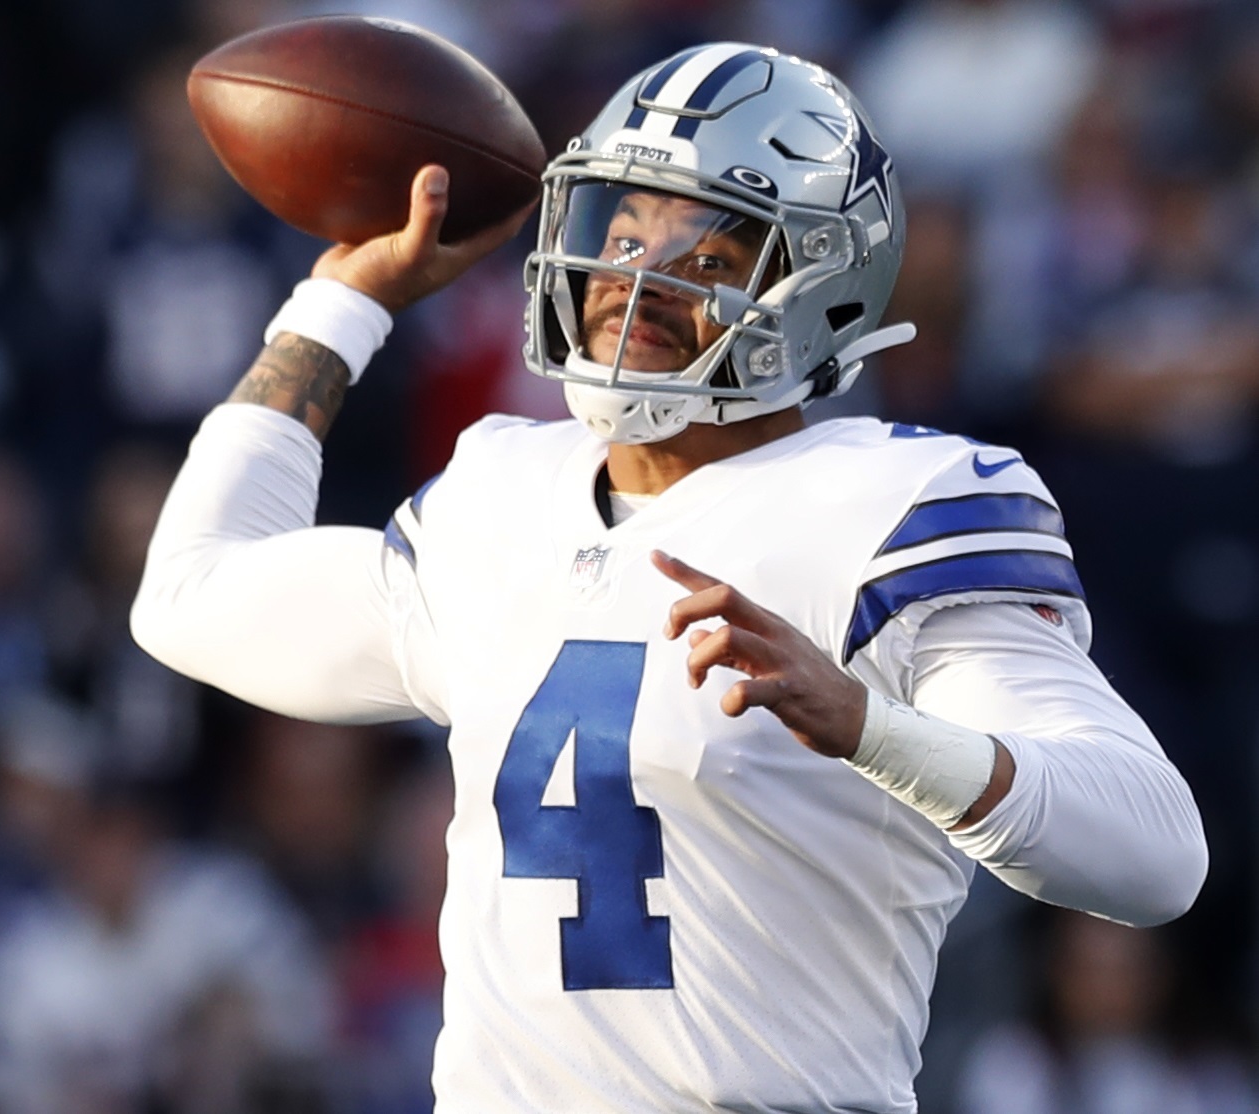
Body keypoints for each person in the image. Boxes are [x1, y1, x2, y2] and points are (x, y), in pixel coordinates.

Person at [129, 41, 1208, 1112]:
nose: (633, 277)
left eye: (708, 252)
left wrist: (870, 727)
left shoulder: (897, 505)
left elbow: (1156, 853)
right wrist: (340, 302)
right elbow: (190, 593)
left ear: (821, 289)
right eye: (621, 227)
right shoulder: (499, 491)